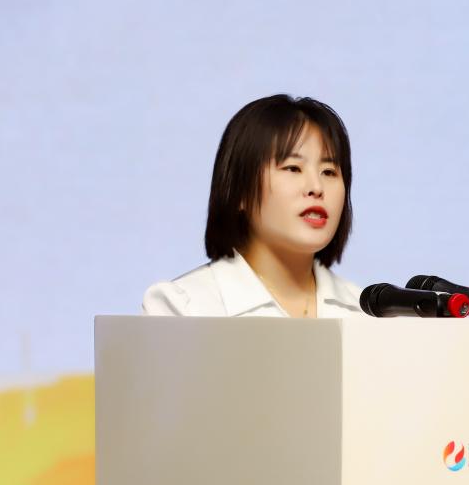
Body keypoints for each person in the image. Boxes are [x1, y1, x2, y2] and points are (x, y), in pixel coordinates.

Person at [143, 94, 366, 318]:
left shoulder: (367, 313)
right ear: (240, 190)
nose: (316, 187)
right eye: (292, 168)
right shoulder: (183, 308)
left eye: (329, 172)